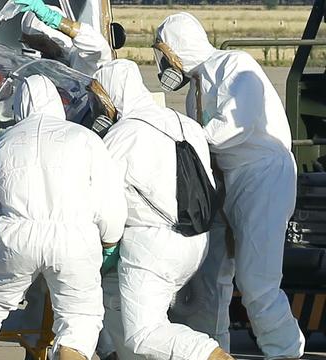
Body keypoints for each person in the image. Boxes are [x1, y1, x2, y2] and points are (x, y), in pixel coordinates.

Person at [154, 12, 305, 359]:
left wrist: (182, 137)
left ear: (177, 49)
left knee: (257, 284)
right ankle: (211, 349)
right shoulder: (196, 91)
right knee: (207, 280)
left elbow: (237, 126)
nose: (162, 64)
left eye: (164, 54)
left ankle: (285, 352)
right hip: (228, 182)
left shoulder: (234, 65)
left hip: (261, 177)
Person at [0, 74, 127, 360]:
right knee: (80, 315)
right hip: (73, 238)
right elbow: (109, 202)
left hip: (17, 236)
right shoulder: (84, 138)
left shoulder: (4, 143)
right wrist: (109, 239)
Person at [94, 59, 229, 360]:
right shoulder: (185, 123)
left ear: (111, 95)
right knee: (115, 299)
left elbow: (101, 199)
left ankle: (212, 355)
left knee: (144, 334)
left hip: (151, 247)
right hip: (196, 242)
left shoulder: (123, 133)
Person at [18, 2, 112, 75]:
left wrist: (56, 20)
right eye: (30, 45)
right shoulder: (27, 73)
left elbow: (99, 47)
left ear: (57, 39)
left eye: (40, 45)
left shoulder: (82, 59)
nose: (36, 51)